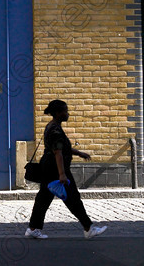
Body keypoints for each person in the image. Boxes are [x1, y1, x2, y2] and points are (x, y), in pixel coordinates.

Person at [24, 99, 107, 240]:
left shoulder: (52, 126)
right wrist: (62, 174)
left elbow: (63, 148)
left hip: (49, 167)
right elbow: (58, 153)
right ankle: (88, 228)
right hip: (56, 169)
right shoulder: (55, 130)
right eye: (65, 111)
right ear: (58, 113)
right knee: (72, 198)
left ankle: (33, 228)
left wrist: (79, 153)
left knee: (43, 199)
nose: (67, 114)